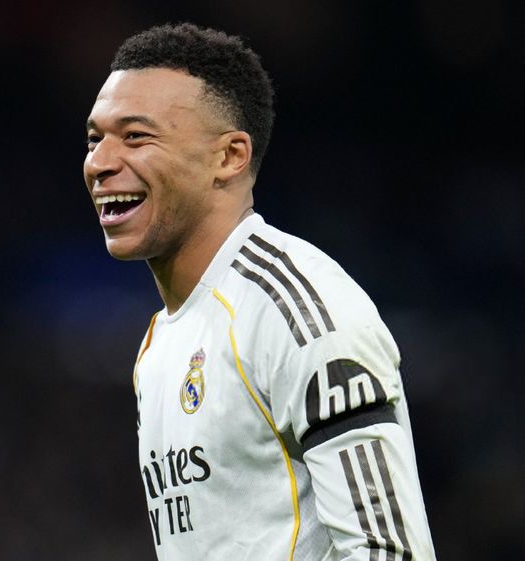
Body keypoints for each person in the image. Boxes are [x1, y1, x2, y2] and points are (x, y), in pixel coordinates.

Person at [83, 22, 437, 561]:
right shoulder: (160, 342)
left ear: (229, 157)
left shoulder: (298, 311)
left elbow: (389, 551)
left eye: (135, 137)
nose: (101, 163)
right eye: (95, 138)